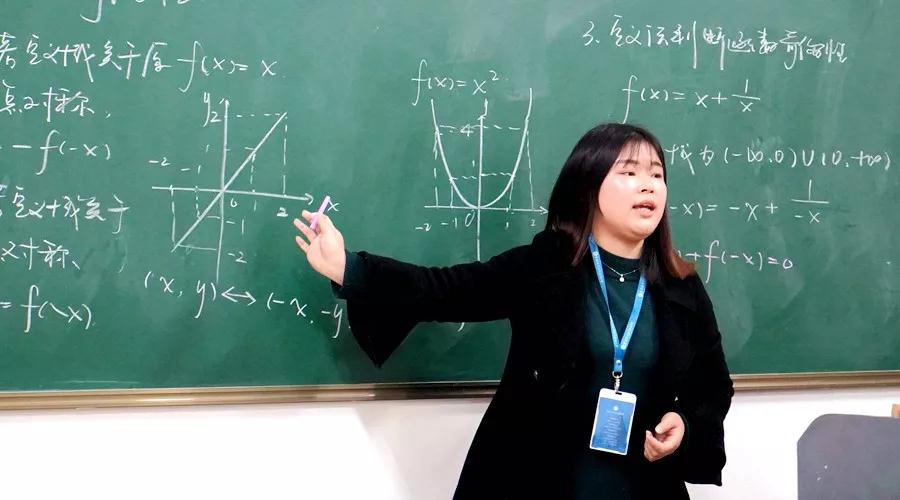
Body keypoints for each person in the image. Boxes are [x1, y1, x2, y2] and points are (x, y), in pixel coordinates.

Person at [293, 123, 734, 499]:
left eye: (657, 174)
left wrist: (685, 426)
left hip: (642, 485)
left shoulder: (680, 287)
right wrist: (350, 269)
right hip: (534, 479)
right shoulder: (546, 267)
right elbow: (445, 289)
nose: (648, 185)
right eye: (629, 172)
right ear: (588, 187)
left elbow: (713, 386)